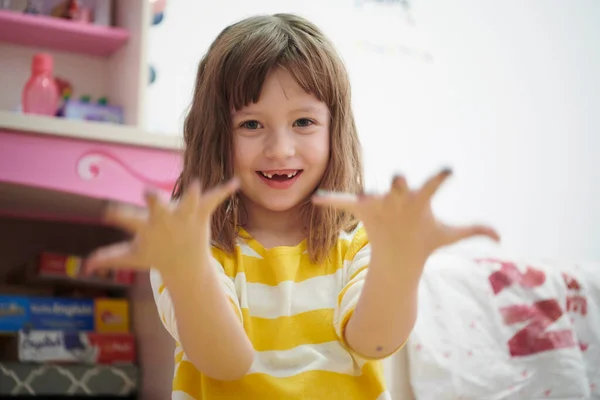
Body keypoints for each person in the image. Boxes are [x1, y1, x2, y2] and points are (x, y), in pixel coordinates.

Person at [85, 13, 500, 399]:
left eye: (303, 122)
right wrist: (187, 270)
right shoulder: (193, 248)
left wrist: (400, 263)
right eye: (251, 124)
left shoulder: (358, 241)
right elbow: (224, 363)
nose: (280, 149)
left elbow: (375, 342)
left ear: (334, 131)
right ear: (215, 136)